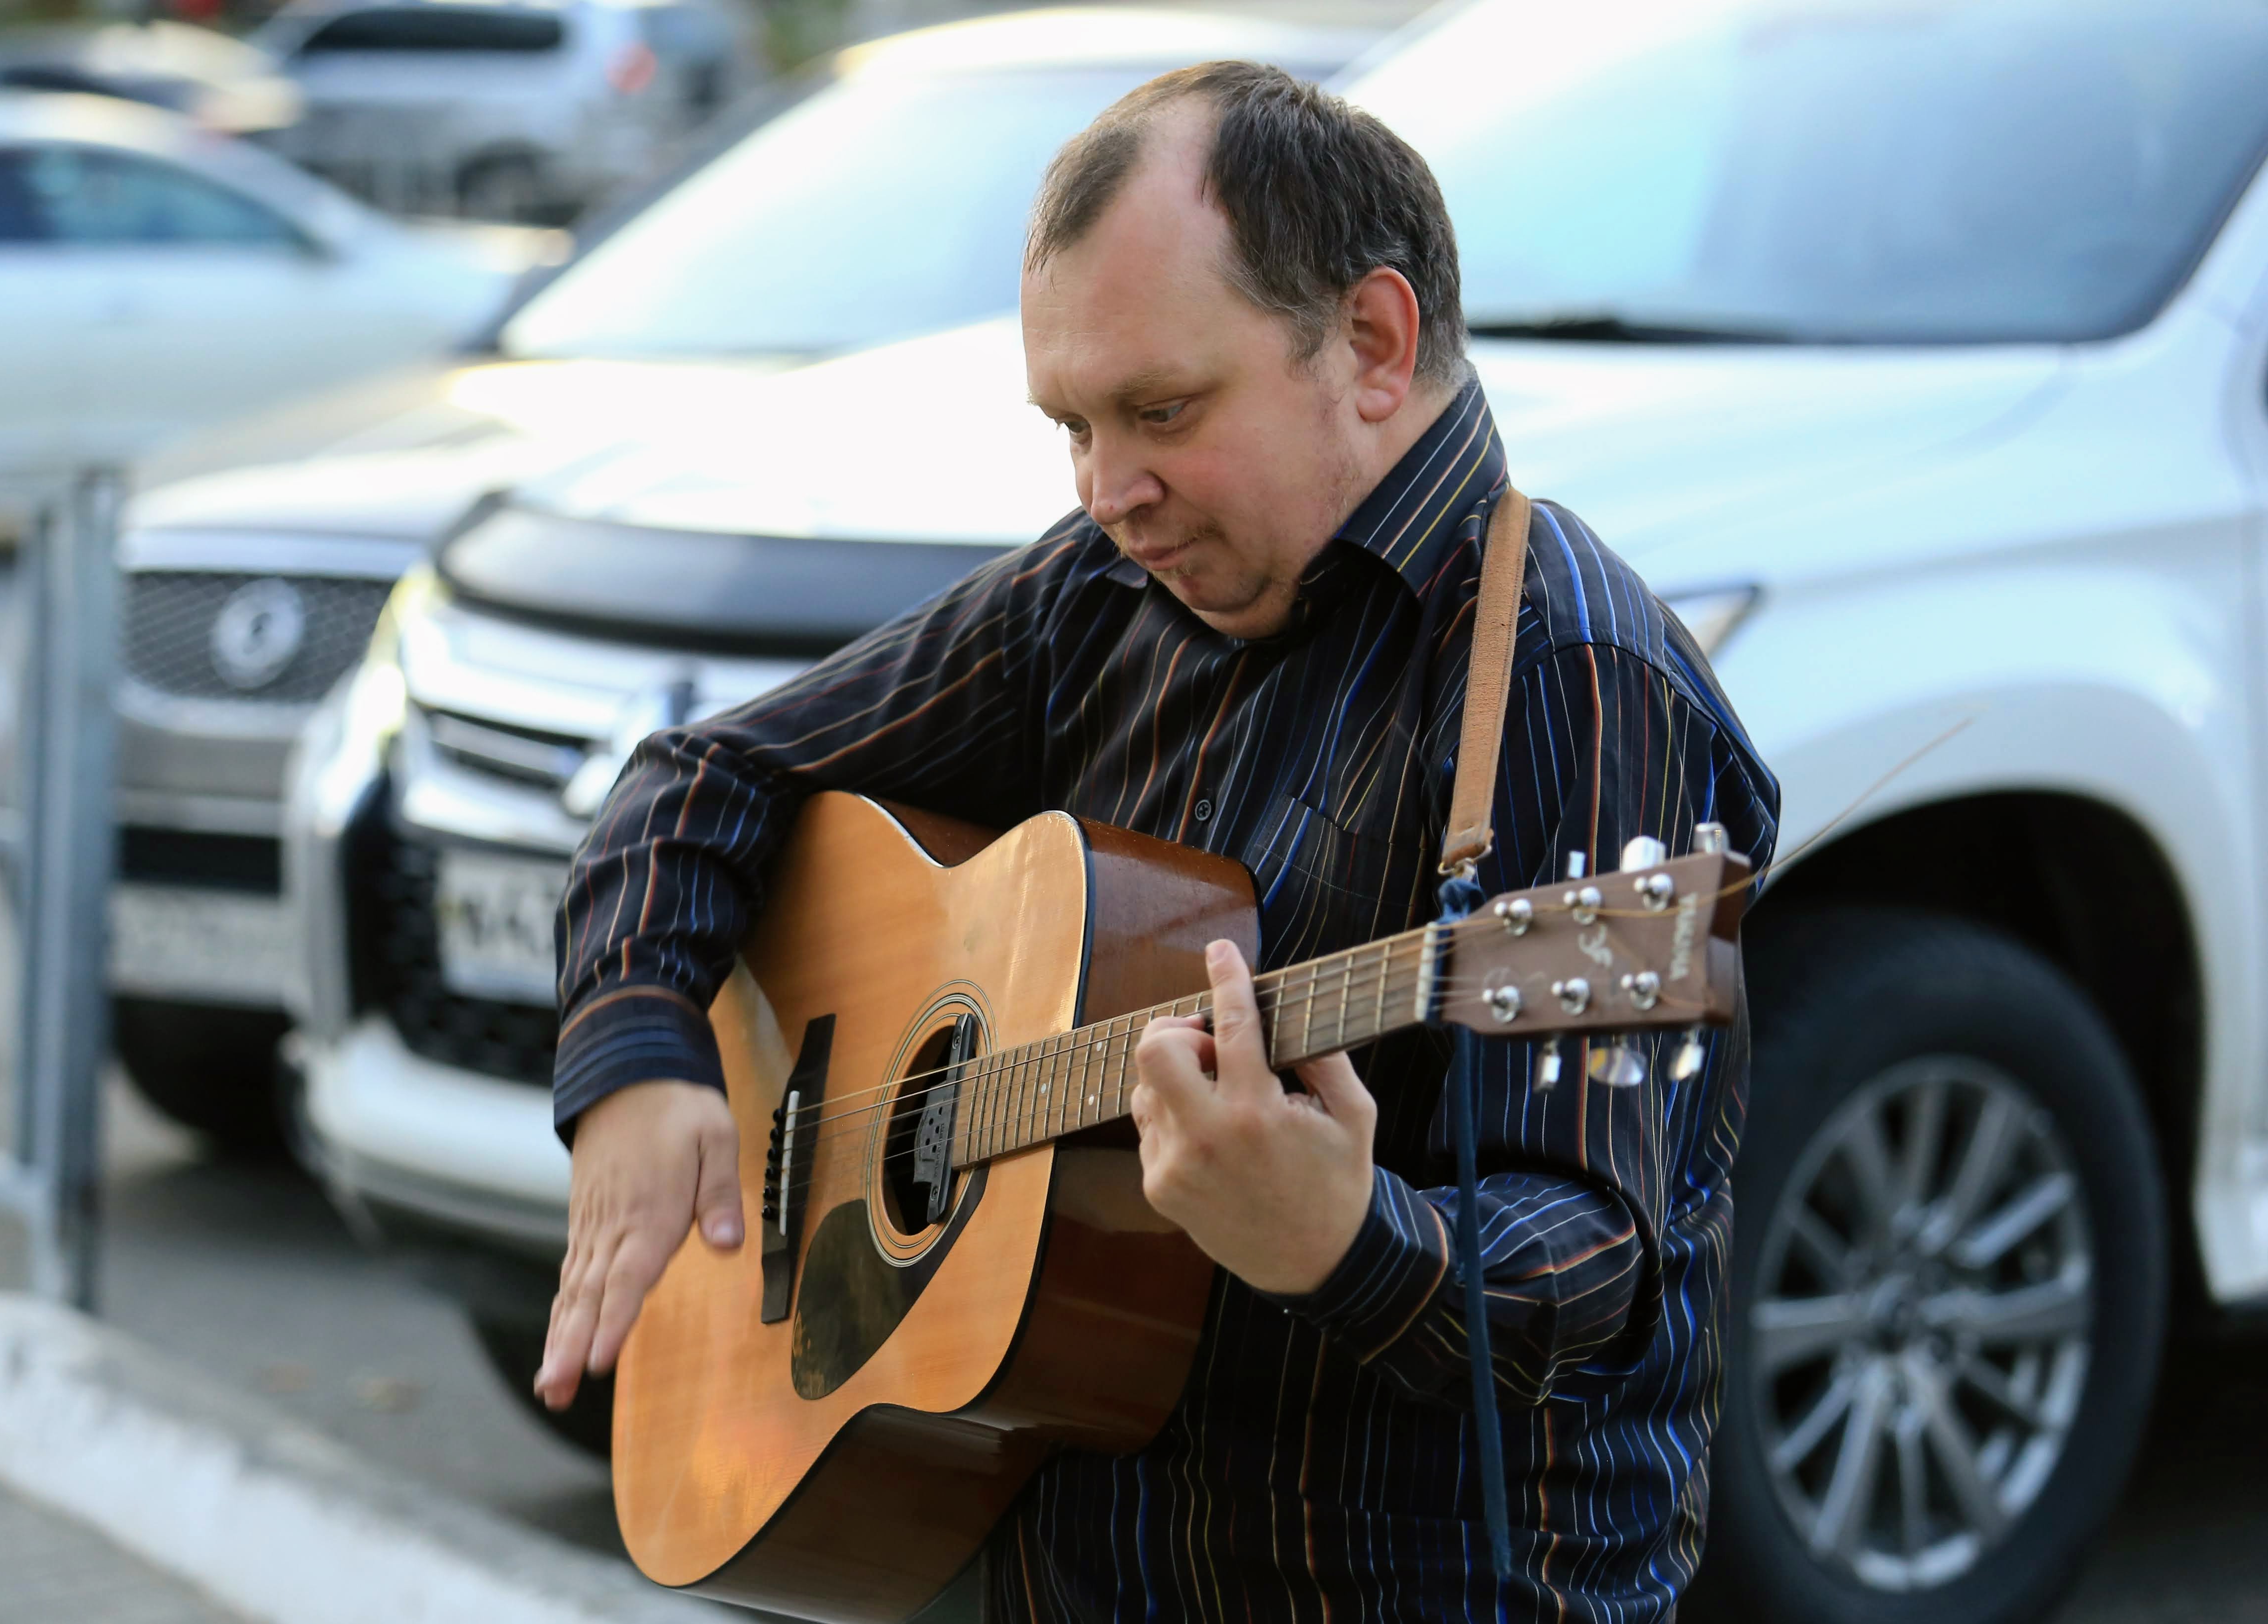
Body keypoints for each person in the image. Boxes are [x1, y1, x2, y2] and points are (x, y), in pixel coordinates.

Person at [538, 62, 1779, 1621]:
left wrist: (1348, 1237)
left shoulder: (1569, 676)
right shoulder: (1097, 591)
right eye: (1071, 424)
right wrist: (638, 1057)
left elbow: (1594, 1266)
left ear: (1372, 344)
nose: (1105, 489)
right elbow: (707, 772)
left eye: (1162, 411)